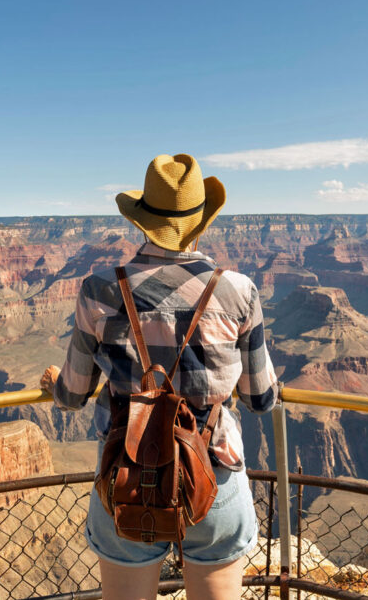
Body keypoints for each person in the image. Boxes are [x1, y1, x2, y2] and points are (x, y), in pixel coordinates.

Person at [40, 153, 278, 600]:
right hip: (212, 474)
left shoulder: (99, 289)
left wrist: (54, 383)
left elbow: (72, 395)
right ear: (200, 222)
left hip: (127, 478)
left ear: (142, 222)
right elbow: (261, 398)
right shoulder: (239, 290)